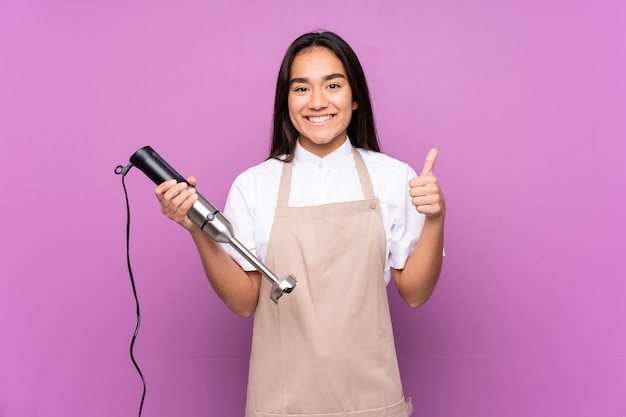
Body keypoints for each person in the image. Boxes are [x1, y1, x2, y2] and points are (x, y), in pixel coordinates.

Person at [155, 31, 445, 417]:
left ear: (355, 97)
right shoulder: (254, 184)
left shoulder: (393, 177)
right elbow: (245, 302)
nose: (318, 101)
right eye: (301, 88)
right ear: (286, 101)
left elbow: (415, 293)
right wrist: (197, 230)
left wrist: (436, 219)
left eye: (333, 85)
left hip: (372, 400)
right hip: (281, 404)